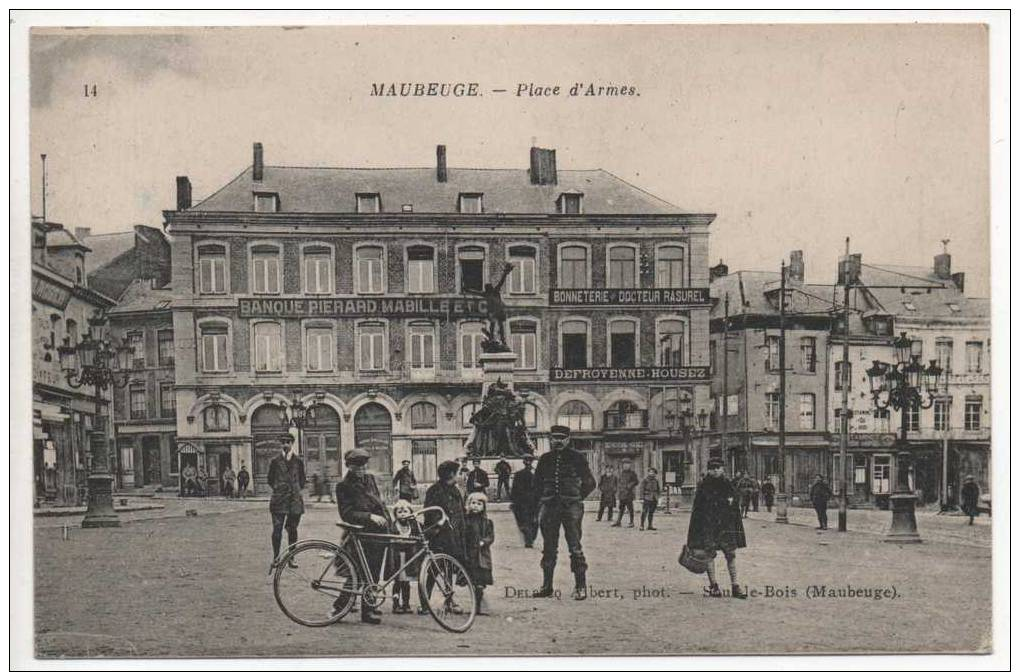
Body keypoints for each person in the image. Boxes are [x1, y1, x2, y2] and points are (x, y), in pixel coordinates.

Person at [533, 425, 596, 600]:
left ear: (568, 439)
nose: (558, 441)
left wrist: (575, 498)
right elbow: (537, 484)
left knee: (575, 548)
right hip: (550, 508)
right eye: (555, 438)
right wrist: (543, 501)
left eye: (562, 438)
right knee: (548, 548)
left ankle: (581, 587)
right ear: (551, 439)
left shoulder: (577, 458)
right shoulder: (545, 459)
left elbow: (590, 483)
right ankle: (546, 587)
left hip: (571, 508)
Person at [336, 448, 390, 625]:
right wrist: (370, 517)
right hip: (359, 534)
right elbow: (346, 514)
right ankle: (340, 607)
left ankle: (368, 608)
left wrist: (388, 521)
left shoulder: (370, 480)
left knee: (373, 574)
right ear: (349, 466)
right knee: (358, 574)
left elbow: (379, 503)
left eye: (363, 465)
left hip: (377, 534)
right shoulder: (343, 486)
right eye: (356, 466)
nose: (361, 469)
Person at [686, 457, 747, 599]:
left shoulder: (728, 484)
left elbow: (735, 505)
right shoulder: (703, 485)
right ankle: (714, 586)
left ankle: (735, 586)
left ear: (723, 469)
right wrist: (695, 533)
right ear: (708, 470)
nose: (715, 470)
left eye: (718, 467)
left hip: (726, 526)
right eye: (712, 468)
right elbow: (697, 510)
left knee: (731, 554)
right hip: (708, 526)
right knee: (708, 555)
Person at [424, 461, 468, 612]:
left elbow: (461, 512)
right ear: (450, 474)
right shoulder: (434, 491)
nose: (460, 475)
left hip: (454, 537)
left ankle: (449, 601)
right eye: (458, 473)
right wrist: (440, 525)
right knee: (433, 571)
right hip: (440, 539)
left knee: (449, 570)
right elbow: (430, 514)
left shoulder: (455, 490)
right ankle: (425, 603)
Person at [267, 434, 306, 570]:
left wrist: (294, 490)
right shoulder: (275, 461)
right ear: (280, 444)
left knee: (292, 529)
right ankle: (276, 557)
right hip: (279, 500)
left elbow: (302, 480)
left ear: (292, 443)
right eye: (283, 442)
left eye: (288, 442)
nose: (285, 445)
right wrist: (279, 489)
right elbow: (270, 480)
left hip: (294, 501)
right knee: (277, 530)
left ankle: (291, 557)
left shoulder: (298, 461)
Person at [390, 499, 423, 615]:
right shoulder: (393, 526)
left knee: (406, 582)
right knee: (397, 582)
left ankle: (406, 603)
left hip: (409, 557)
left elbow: (420, 533)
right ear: (395, 514)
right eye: (399, 512)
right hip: (398, 557)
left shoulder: (413, 525)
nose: (403, 514)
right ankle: (395, 604)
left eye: (405, 511)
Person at [463, 492, 495, 615]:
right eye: (473, 503)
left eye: (479, 504)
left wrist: (484, 542)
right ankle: (474, 605)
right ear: (469, 504)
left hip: (482, 556)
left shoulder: (487, 522)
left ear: (483, 506)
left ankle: (478, 607)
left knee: (481, 583)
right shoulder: (466, 521)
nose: (475, 506)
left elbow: (491, 537)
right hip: (470, 555)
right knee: (472, 581)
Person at [510, 455, 539, 548]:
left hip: (535, 501)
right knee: (525, 521)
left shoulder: (537, 474)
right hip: (523, 502)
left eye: (530, 461)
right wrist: (514, 501)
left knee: (535, 522)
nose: (528, 462)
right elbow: (514, 489)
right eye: (526, 461)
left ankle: (531, 537)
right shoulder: (519, 474)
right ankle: (528, 540)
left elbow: (541, 487)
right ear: (523, 462)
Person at [612, 460, 640, 528]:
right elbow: (618, 482)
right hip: (622, 494)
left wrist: (630, 485)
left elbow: (636, 481)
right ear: (622, 465)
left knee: (630, 508)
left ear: (630, 465)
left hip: (629, 494)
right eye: (624, 464)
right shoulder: (621, 473)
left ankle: (631, 522)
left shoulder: (632, 473)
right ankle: (618, 522)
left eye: (627, 464)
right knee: (621, 508)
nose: (626, 466)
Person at [639, 467, 661, 531]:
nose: (651, 473)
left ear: (655, 474)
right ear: (648, 473)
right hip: (647, 497)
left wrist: (658, 498)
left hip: (654, 498)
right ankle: (642, 525)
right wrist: (641, 498)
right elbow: (641, 489)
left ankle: (650, 525)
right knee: (644, 512)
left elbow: (658, 490)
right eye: (650, 472)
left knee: (651, 512)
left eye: (653, 472)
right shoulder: (645, 480)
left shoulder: (656, 481)